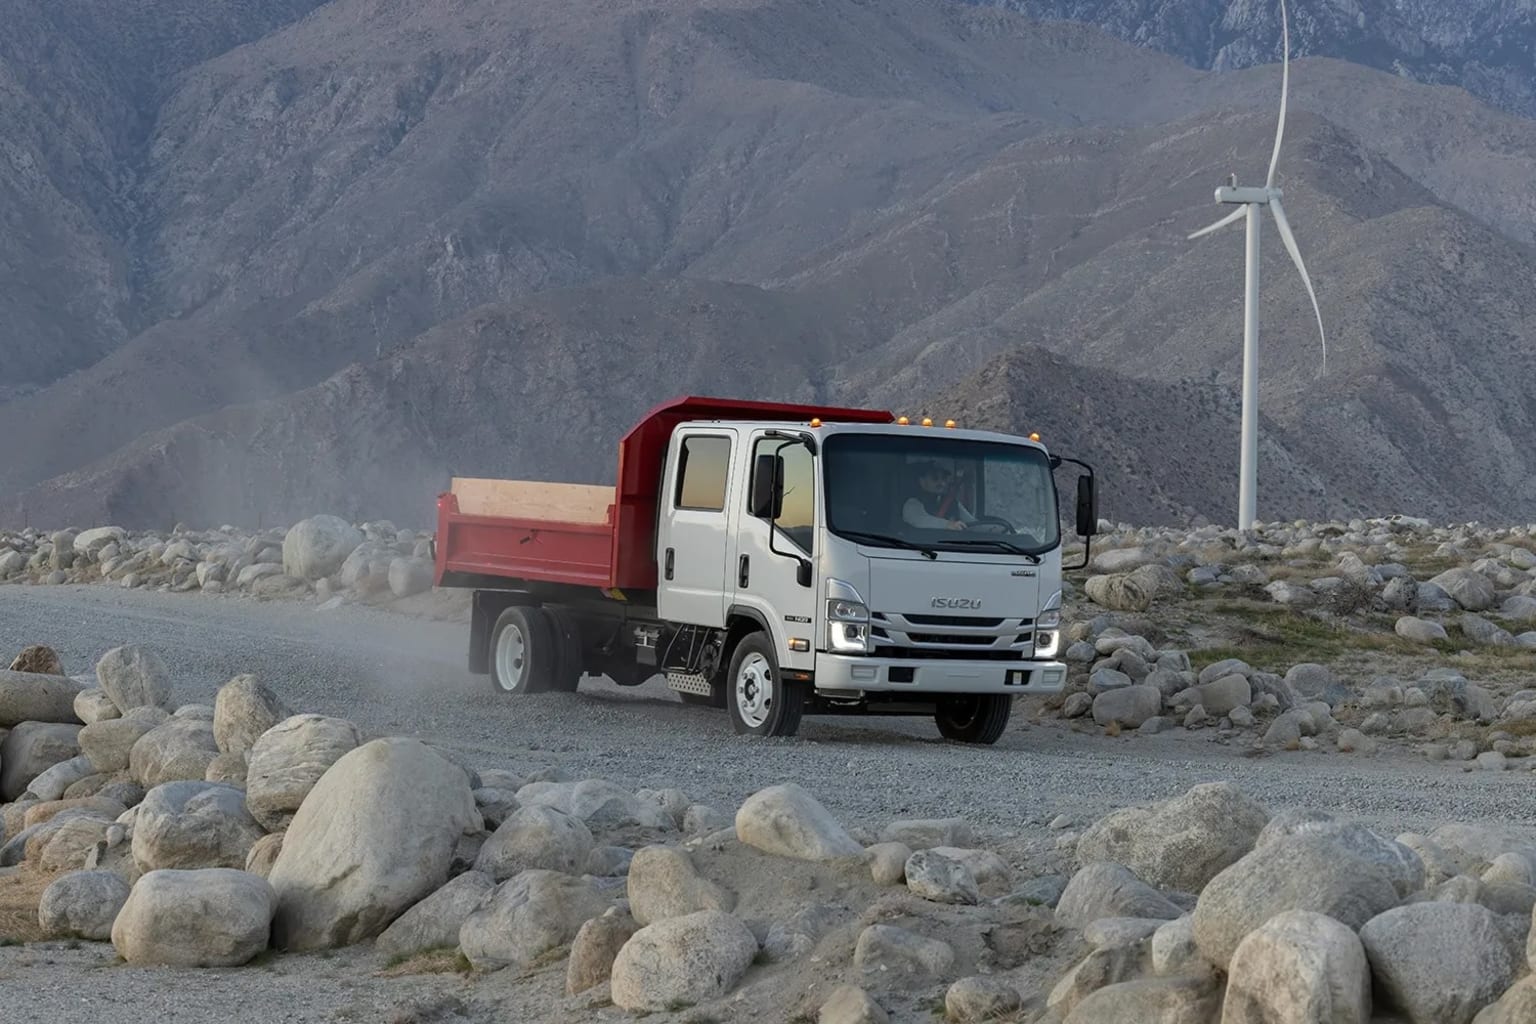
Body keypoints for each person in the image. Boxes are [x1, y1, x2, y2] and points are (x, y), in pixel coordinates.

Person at [902, 461, 975, 530]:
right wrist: (947, 525)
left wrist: (985, 529)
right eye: (935, 478)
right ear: (922, 481)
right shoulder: (912, 503)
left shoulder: (952, 502)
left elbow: (972, 523)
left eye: (944, 478)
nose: (942, 483)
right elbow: (920, 520)